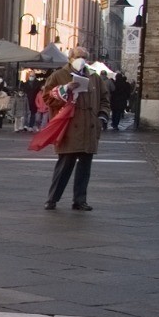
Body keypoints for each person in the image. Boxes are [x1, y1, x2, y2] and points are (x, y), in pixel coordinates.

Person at [39, 47, 105, 212]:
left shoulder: (94, 77)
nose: (81, 59)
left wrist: (102, 117)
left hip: (89, 127)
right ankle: (52, 199)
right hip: (69, 127)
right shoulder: (58, 75)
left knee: (85, 168)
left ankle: (80, 200)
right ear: (70, 58)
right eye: (78, 56)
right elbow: (47, 97)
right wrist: (65, 89)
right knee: (64, 165)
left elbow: (105, 99)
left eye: (84, 57)